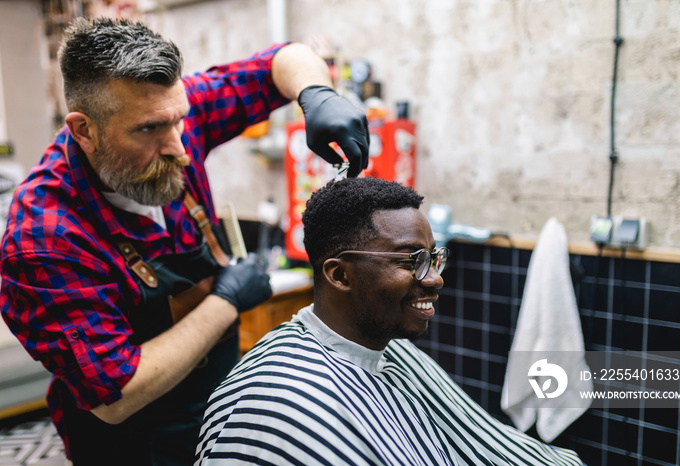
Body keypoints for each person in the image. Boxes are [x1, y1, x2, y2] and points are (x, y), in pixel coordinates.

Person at [0, 16, 369, 466]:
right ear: (84, 131)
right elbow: (116, 394)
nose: (180, 146)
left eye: (181, 119)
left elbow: (283, 59)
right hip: (133, 447)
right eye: (150, 130)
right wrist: (226, 302)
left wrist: (317, 94)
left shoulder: (169, 116)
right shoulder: (45, 239)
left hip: (217, 418)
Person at [195, 177, 583, 466]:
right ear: (340, 275)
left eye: (434, 258)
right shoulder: (271, 400)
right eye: (411, 260)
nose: (435, 278)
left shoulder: (391, 351)